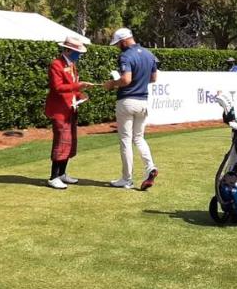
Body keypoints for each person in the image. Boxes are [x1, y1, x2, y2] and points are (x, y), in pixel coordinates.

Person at [103, 28, 160, 190]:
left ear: (124, 41)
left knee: (126, 141)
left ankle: (127, 179)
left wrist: (112, 84)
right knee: (139, 138)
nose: (118, 47)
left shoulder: (126, 55)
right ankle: (150, 167)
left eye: (119, 44)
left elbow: (126, 79)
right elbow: (154, 78)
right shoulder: (149, 54)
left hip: (127, 101)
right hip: (143, 102)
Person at [44, 36, 93, 189]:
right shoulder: (56, 64)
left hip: (71, 108)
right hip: (60, 110)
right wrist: (78, 86)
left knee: (69, 142)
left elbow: (71, 86)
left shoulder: (71, 64)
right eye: (77, 52)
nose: (79, 55)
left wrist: (80, 95)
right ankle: (53, 177)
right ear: (68, 50)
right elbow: (57, 87)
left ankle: (62, 174)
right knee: (61, 142)